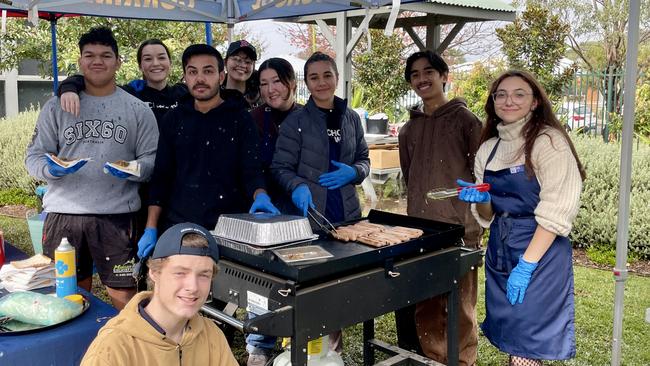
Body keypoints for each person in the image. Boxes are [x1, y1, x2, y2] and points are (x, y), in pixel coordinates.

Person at [25, 26, 158, 310]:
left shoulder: (137, 110)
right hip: (63, 216)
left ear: (118, 62)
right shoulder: (55, 107)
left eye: (106, 55)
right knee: (66, 297)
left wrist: (136, 169)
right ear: (80, 61)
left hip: (117, 219)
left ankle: (128, 351)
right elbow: (34, 157)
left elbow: (153, 160)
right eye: (90, 55)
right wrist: (51, 170)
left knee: (125, 300)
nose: (97, 61)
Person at [458, 69, 585, 365]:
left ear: (535, 102)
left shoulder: (548, 142)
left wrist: (526, 265)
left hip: (540, 252)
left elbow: (557, 208)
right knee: (513, 336)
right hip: (502, 249)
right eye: (501, 94)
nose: (508, 101)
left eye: (519, 94)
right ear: (492, 102)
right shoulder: (488, 149)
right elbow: (488, 216)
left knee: (527, 343)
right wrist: (485, 199)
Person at [137, 43, 279, 260]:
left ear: (221, 76)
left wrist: (260, 195)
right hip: (180, 226)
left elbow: (251, 169)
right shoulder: (173, 120)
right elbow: (161, 177)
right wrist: (151, 227)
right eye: (192, 72)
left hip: (230, 227)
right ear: (185, 77)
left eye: (208, 71)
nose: (200, 78)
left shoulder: (241, 119)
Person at [271, 51, 370, 354]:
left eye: (327, 75)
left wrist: (354, 172)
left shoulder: (351, 118)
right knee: (307, 290)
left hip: (347, 217)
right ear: (306, 83)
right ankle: (299, 351)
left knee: (338, 287)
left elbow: (365, 160)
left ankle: (333, 352)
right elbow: (279, 167)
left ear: (337, 78)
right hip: (310, 217)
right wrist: (298, 185)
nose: (322, 82)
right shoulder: (296, 122)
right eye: (314, 77)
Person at [396, 50, 483, 365]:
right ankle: (432, 358)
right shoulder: (408, 130)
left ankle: (462, 361)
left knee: (460, 306)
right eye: (415, 74)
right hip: (421, 231)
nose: (422, 79)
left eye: (429, 72)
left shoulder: (466, 121)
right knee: (427, 304)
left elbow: (482, 176)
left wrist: (471, 222)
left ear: (445, 76)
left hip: (461, 230)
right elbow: (410, 175)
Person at [80, 222, 238, 366]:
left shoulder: (211, 335)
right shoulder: (113, 350)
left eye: (204, 275)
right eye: (180, 273)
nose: (193, 287)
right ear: (155, 272)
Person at [245, 57, 301, 366]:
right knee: (262, 277)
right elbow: (249, 164)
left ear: (291, 82)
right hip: (264, 207)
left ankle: (302, 337)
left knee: (300, 275)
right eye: (264, 83)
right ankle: (261, 343)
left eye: (276, 81)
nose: (270, 89)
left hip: (300, 207)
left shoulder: (309, 117)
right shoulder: (254, 118)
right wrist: (259, 194)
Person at [58, 39, 188, 124]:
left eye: (161, 58)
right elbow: (94, 82)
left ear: (170, 63)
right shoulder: (131, 93)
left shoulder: (184, 93)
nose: (156, 63)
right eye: (148, 59)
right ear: (140, 66)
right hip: (142, 164)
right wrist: (69, 88)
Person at [221, 40, 260, 109]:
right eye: (236, 59)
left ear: (253, 67)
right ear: (225, 62)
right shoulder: (213, 96)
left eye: (248, 62)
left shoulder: (262, 98)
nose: (242, 65)